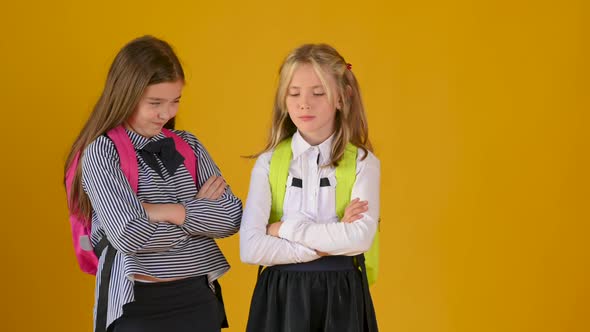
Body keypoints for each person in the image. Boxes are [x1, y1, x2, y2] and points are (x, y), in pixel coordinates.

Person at [64, 35, 242, 332]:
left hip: (199, 300)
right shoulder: (102, 151)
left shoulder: (189, 146)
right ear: (125, 95)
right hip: (137, 307)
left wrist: (168, 212)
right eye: (155, 103)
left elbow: (231, 218)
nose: (166, 114)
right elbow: (128, 236)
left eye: (175, 102)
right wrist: (197, 218)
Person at [240, 43, 380, 332]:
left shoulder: (364, 163)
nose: (304, 103)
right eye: (294, 93)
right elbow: (250, 248)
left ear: (342, 98)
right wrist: (326, 246)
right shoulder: (268, 164)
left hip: (342, 297)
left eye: (318, 93)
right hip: (280, 299)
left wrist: (283, 229)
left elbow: (359, 238)